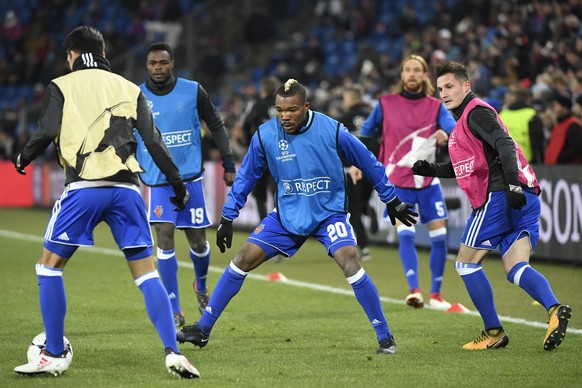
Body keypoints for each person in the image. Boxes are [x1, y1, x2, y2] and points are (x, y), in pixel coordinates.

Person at [177, 79, 418, 354]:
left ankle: (385, 337)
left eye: (291, 110)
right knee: (242, 258)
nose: (284, 116)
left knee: (349, 261)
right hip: (287, 215)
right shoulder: (266, 135)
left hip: (329, 214)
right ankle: (203, 329)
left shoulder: (332, 130)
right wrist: (228, 218)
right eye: (279, 110)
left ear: (306, 106)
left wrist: (392, 199)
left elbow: (368, 162)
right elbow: (246, 177)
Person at [10, 26, 199, 378]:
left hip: (84, 188)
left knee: (48, 267)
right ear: (103, 52)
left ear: (71, 56)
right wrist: (177, 182)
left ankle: (52, 352)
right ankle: (173, 352)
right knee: (146, 273)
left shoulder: (62, 85)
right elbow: (154, 142)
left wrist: (23, 157)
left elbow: (48, 129)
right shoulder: (130, 88)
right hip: (127, 191)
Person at [413, 61, 572, 350]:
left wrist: (510, 183)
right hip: (527, 194)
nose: (444, 93)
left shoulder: (476, 112)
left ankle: (493, 331)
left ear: (466, 86)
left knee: (465, 262)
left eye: (450, 86)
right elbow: (468, 165)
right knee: (514, 266)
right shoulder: (467, 120)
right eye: (440, 89)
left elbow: (505, 143)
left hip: (499, 194)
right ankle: (554, 309)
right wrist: (434, 169)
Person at [135, 42, 236, 328]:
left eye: (163, 63)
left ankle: (200, 284)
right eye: (153, 63)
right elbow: (128, 134)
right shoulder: (137, 95)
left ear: (172, 64)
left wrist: (228, 162)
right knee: (164, 238)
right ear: (147, 65)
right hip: (159, 182)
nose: (158, 68)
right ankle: (174, 306)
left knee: (198, 242)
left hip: (190, 179)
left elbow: (216, 124)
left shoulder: (193, 90)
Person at [351, 55, 456, 310]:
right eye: (407, 70)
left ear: (423, 76)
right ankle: (415, 291)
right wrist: (356, 162)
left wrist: (445, 133)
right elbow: (365, 134)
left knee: (440, 237)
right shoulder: (386, 103)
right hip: (397, 183)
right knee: (406, 235)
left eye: (416, 70)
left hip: (428, 182)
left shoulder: (436, 106)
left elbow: (456, 130)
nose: (411, 74)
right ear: (401, 75)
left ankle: (437, 295)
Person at [338, 84, 378, 262]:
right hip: (371, 169)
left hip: (352, 171)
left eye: (345, 98)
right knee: (360, 204)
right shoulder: (371, 117)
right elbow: (378, 143)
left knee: (352, 209)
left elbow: (339, 145)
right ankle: (367, 209)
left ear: (351, 98)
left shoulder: (345, 118)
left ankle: (364, 246)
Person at [242, 76, 280, 221]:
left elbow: (246, 122)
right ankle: (281, 225)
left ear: (263, 89)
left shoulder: (257, 105)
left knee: (259, 193)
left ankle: (264, 225)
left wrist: (247, 142)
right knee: (278, 191)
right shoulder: (281, 105)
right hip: (281, 154)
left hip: (261, 153)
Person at [498, 84, 545, 164]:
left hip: (508, 163)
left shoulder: (501, 114)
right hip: (524, 163)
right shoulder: (532, 114)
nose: (507, 97)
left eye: (511, 95)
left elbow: (537, 144)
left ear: (519, 97)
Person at [543, 94, 582, 164]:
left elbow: (577, 148)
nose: (554, 108)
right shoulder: (558, 124)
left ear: (565, 108)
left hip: (566, 170)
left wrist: (560, 158)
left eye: (556, 105)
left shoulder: (573, 125)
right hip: (554, 168)